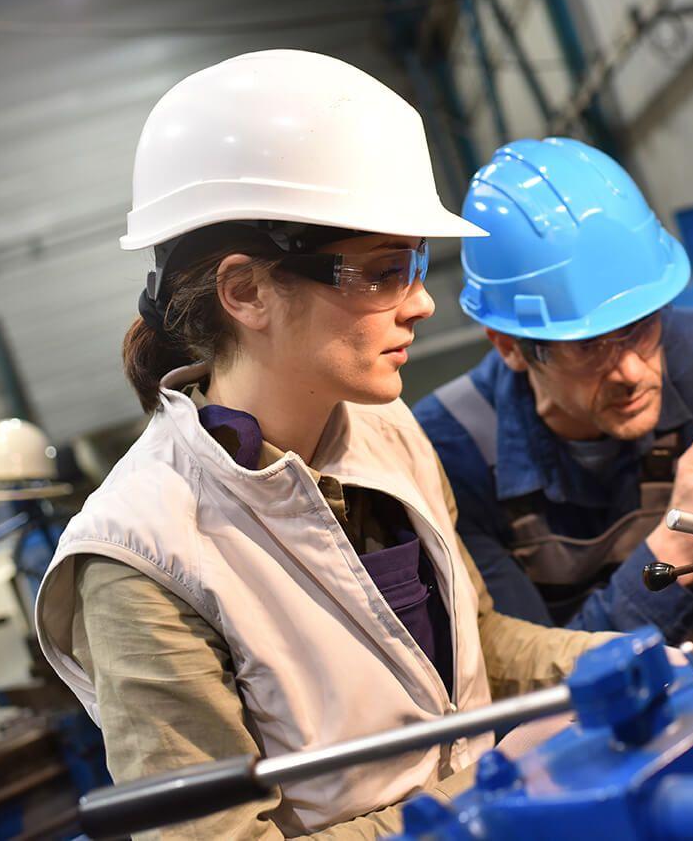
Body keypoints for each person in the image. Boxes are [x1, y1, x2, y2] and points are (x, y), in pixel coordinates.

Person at [34, 51, 615, 839]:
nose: (421, 301)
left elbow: (476, 642)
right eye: (382, 272)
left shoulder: (386, 431)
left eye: (413, 264)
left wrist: (608, 663)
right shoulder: (141, 556)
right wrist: (476, 803)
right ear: (245, 292)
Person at [414, 138, 693, 644]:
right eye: (590, 347)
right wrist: (674, 552)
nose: (633, 372)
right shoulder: (450, 452)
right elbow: (530, 685)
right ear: (509, 346)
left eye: (640, 327)